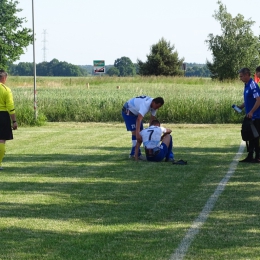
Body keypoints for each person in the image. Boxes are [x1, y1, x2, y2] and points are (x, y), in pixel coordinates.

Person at [121, 95, 165, 160]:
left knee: (141, 132)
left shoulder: (154, 106)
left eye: (159, 107)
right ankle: (134, 154)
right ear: (154, 102)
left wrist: (151, 132)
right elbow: (139, 119)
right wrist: (138, 134)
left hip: (135, 113)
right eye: (157, 106)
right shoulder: (146, 105)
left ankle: (135, 154)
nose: (157, 108)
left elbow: (152, 120)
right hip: (128, 111)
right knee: (136, 132)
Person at [237, 68, 260, 163]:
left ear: (247, 75)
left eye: (241, 76)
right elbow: (248, 100)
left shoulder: (253, 85)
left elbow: (258, 100)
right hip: (250, 116)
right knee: (249, 136)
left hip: (256, 116)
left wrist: (251, 112)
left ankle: (258, 157)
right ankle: (250, 156)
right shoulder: (246, 85)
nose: (240, 78)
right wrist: (240, 107)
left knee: (255, 137)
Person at [0, 69, 18, 170]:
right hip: (2, 115)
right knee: (1, 140)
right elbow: (10, 106)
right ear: (4, 78)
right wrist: (14, 121)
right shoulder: (6, 89)